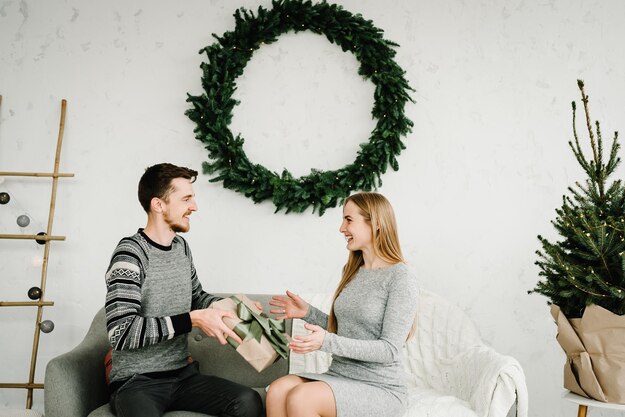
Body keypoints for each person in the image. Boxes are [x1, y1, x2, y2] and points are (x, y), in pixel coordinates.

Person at [104, 163, 264, 417]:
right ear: (159, 204)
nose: (194, 207)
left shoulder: (181, 248)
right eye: (186, 199)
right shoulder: (130, 254)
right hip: (137, 383)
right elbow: (122, 333)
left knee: (247, 401)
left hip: (182, 377)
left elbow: (197, 298)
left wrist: (234, 305)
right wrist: (192, 319)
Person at [266, 192, 419, 417]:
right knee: (278, 389)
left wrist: (326, 342)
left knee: (302, 397)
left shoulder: (400, 277)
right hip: (340, 375)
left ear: (375, 223)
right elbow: (345, 332)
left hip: (379, 386)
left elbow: (389, 350)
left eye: (348, 220)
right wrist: (307, 312)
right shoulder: (353, 271)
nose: (341, 228)